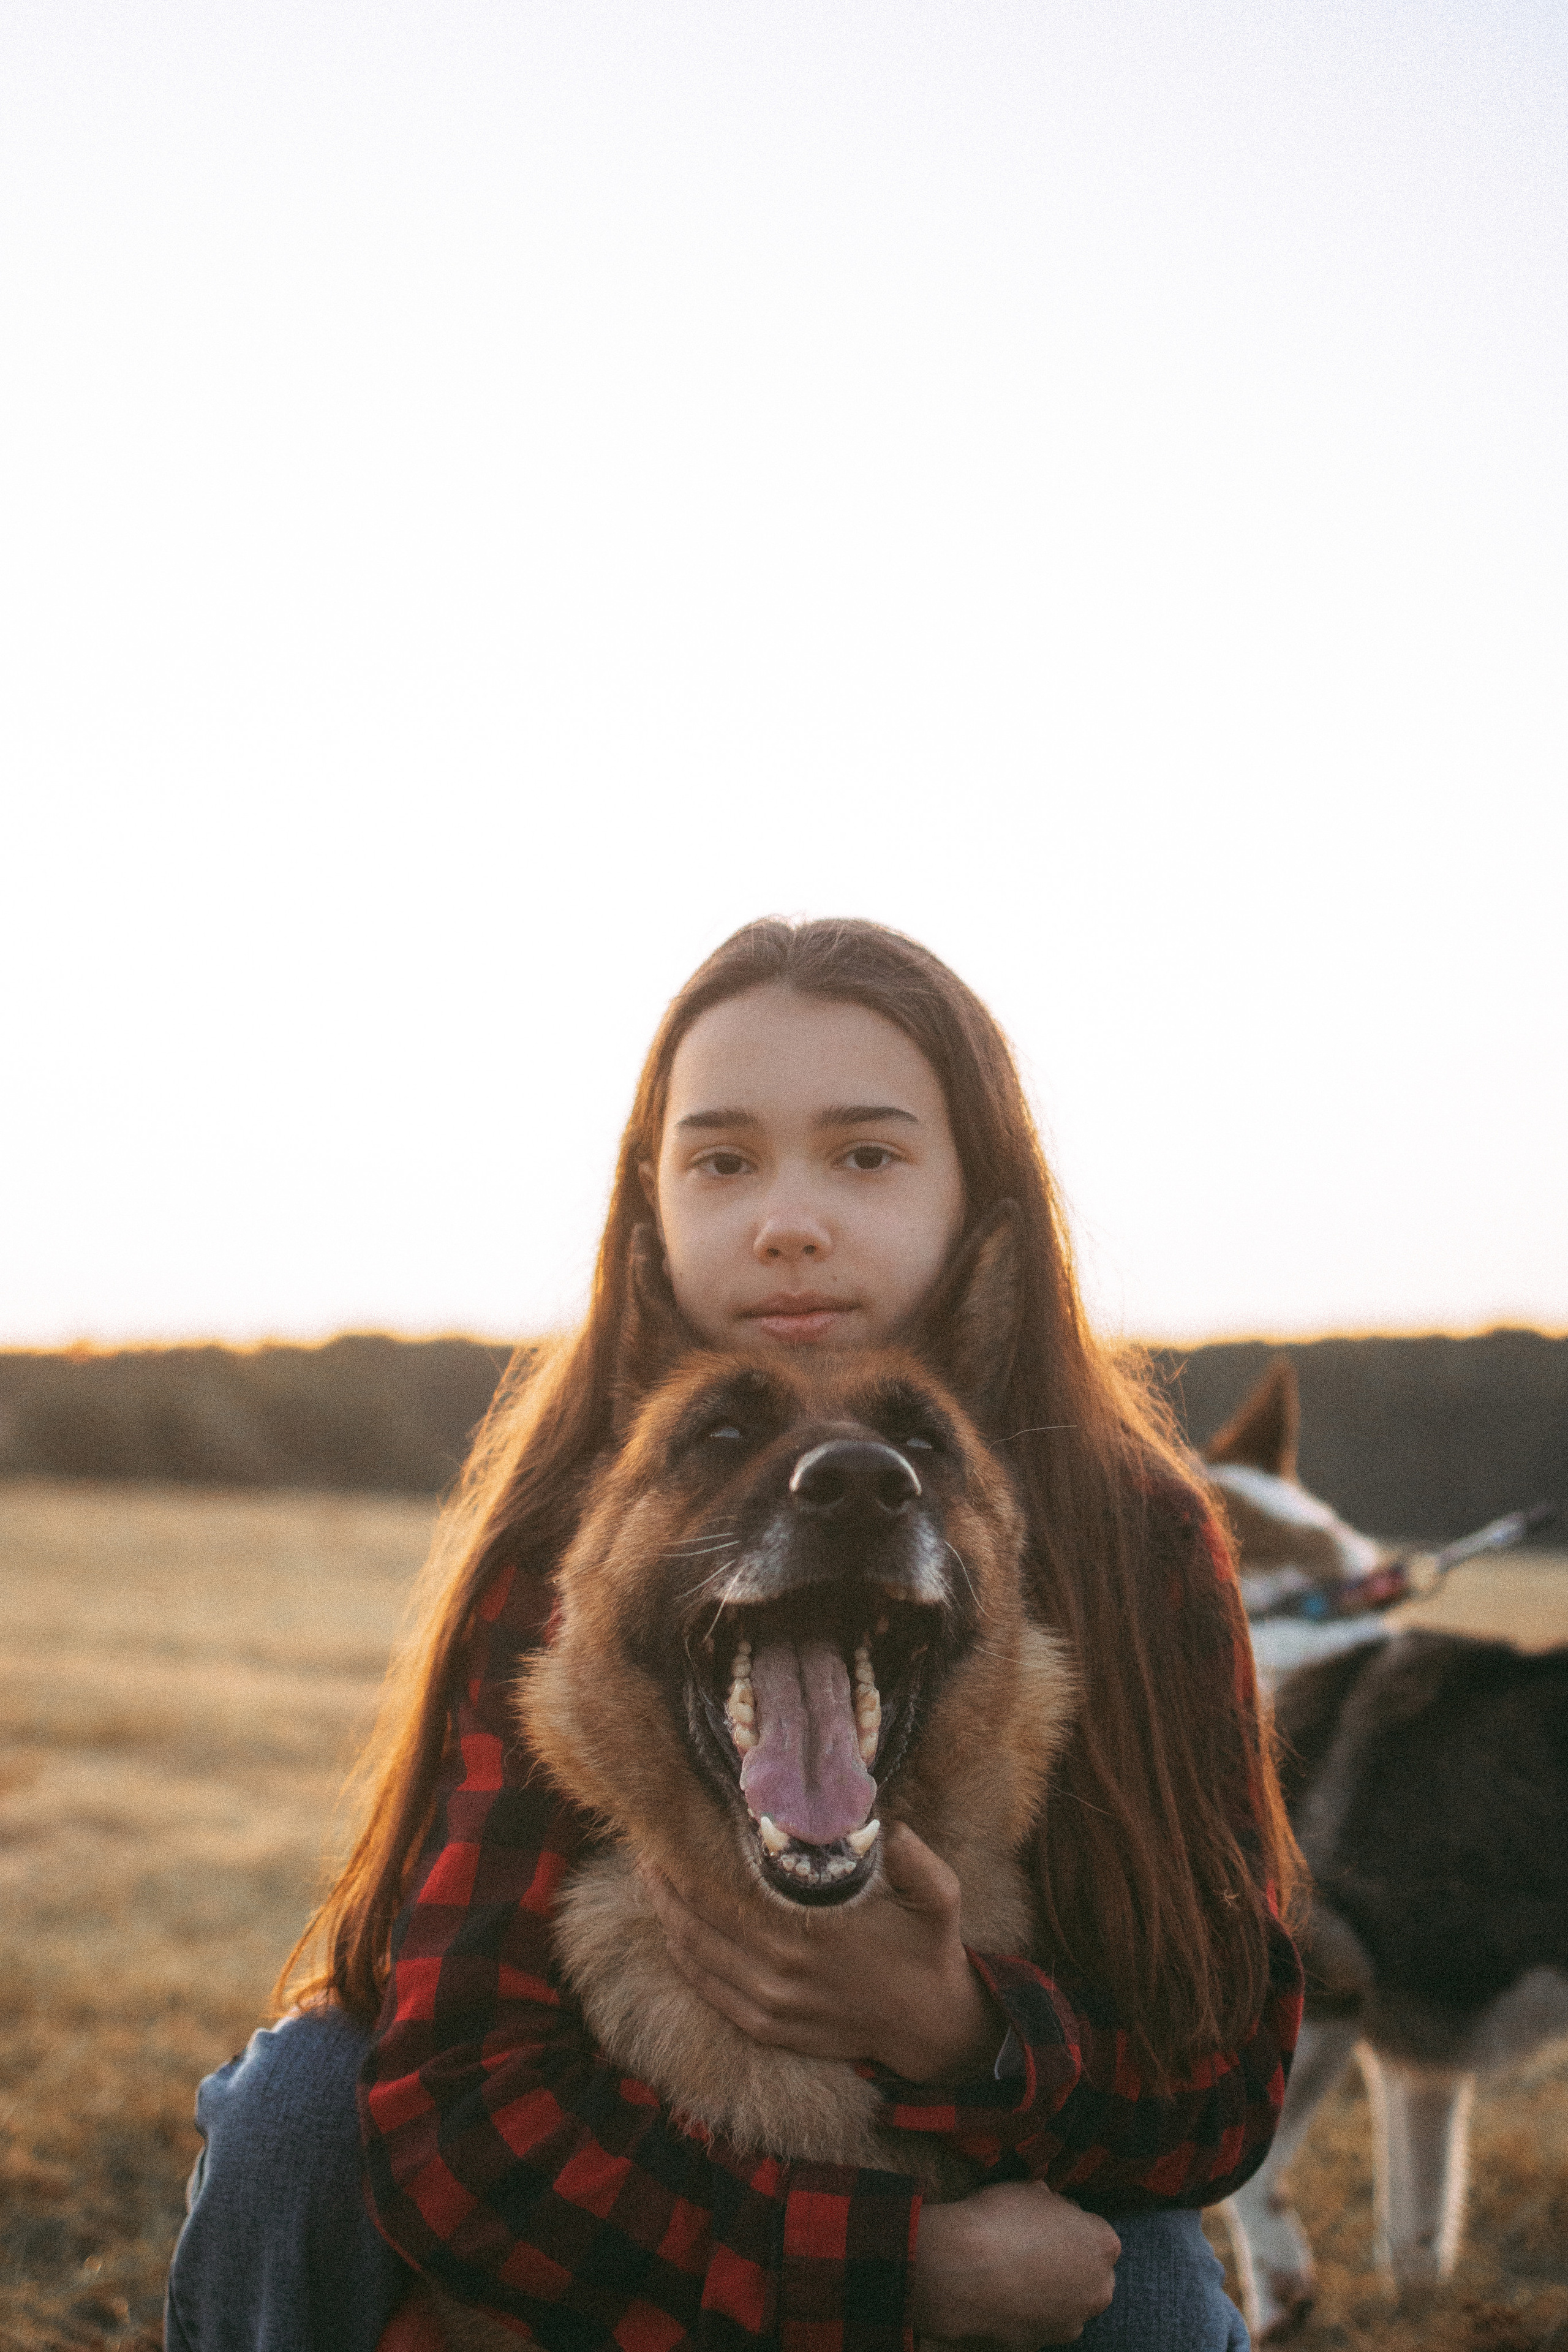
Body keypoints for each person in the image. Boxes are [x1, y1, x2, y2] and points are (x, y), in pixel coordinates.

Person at [166, 917, 1302, 2352]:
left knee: (1127, 2288)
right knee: (300, 2110)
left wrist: (954, 2026)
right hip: (651, 2196)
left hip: (1016, 2147)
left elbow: (1221, 2083)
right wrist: (898, 2270)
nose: (788, 1220)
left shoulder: (1135, 1535)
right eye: (722, 1160)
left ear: (980, 1200)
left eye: (865, 1155)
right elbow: (461, 2101)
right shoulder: (578, 1529)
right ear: (648, 1214)